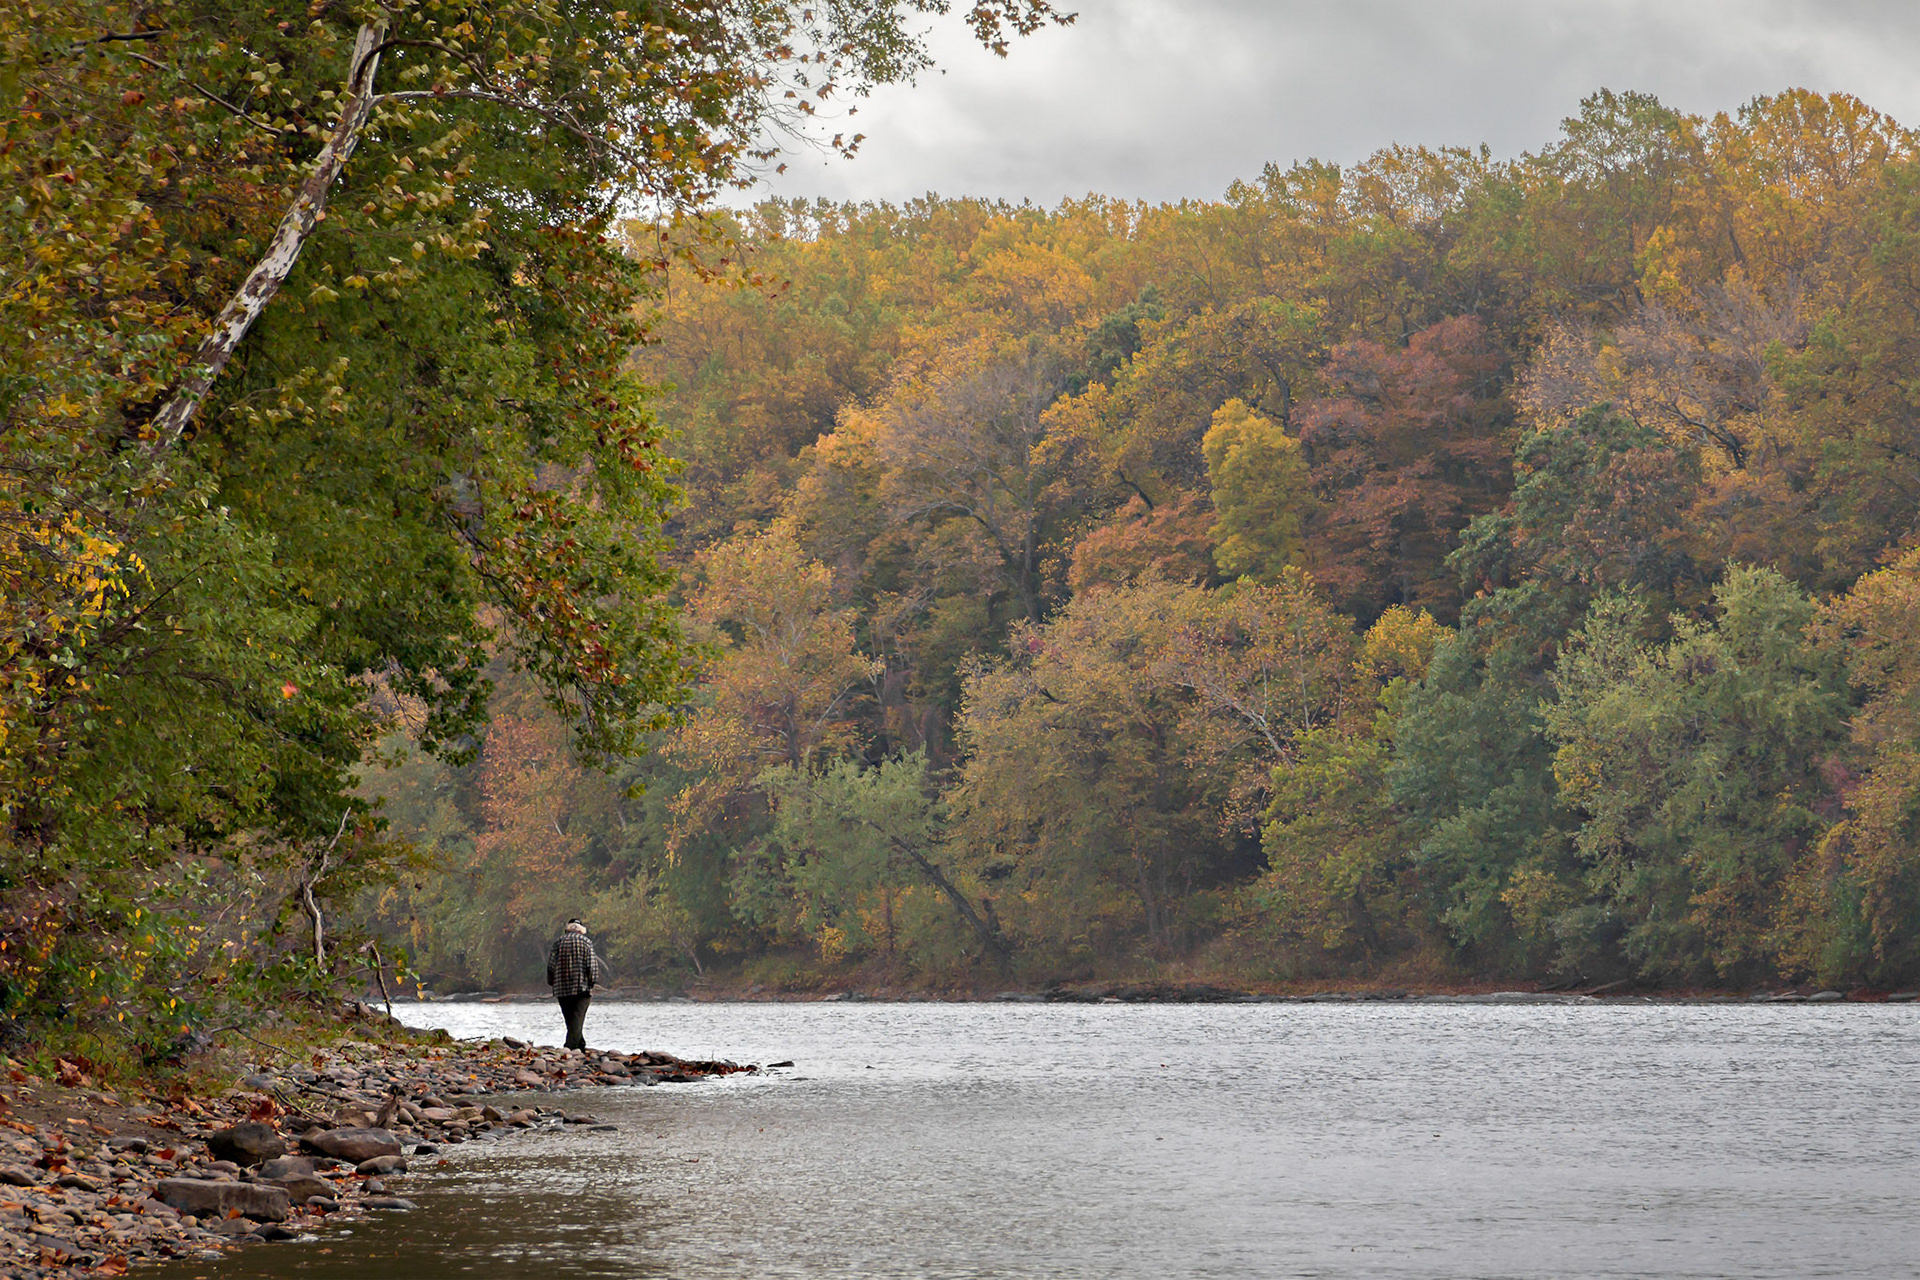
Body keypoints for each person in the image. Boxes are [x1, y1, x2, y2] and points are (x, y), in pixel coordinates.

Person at [546, 918, 604, 1051]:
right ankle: (570, 1047)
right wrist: (592, 981)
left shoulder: (558, 943)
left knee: (571, 1019)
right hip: (581, 988)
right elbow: (592, 965)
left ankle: (579, 1046)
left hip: (562, 989)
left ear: (567, 929)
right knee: (577, 1018)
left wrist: (551, 981)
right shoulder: (586, 942)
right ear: (581, 931)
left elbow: (551, 966)